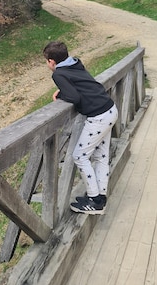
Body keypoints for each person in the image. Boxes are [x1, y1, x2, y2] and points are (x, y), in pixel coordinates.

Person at [43, 41, 118, 215]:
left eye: (47, 61)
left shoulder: (58, 74)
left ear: (52, 62)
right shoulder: (75, 63)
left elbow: (74, 97)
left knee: (79, 156)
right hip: (109, 109)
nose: (47, 64)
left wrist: (60, 93)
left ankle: (94, 200)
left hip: (98, 116)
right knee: (101, 157)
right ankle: (100, 197)